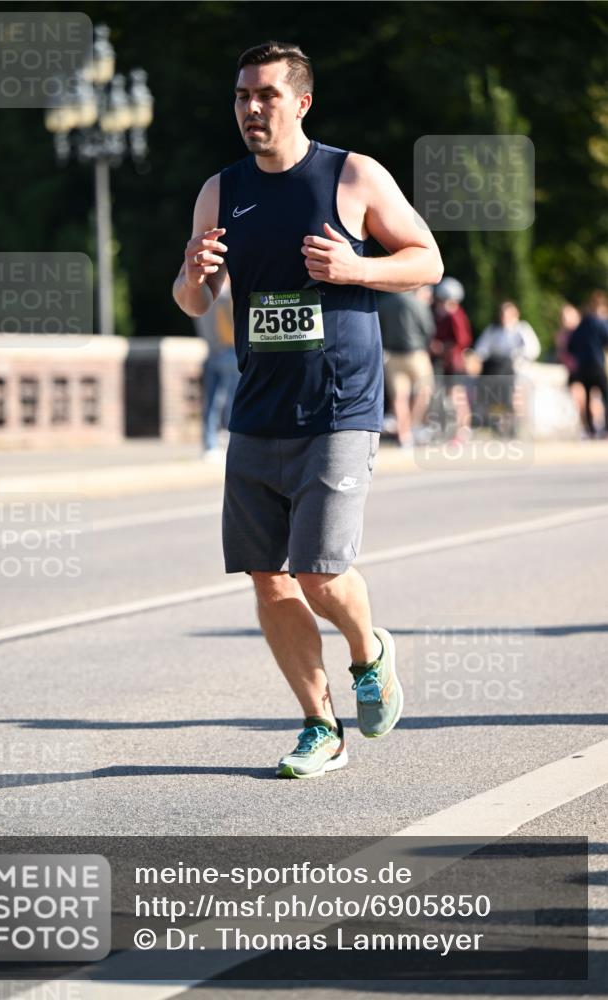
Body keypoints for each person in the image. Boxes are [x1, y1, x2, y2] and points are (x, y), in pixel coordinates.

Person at [172, 41, 443, 778]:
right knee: (267, 576)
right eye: (240, 96)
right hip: (257, 409)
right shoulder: (219, 191)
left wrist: (358, 267)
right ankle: (319, 726)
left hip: (339, 406)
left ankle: (369, 652)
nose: (250, 108)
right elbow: (193, 297)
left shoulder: (350, 174)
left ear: (300, 103)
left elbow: (426, 258)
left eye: (264, 95)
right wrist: (193, 278)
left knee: (320, 574)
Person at [472, 301, 541, 435]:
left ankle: (517, 427)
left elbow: (533, 349)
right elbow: (481, 349)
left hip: (517, 371)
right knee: (497, 398)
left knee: (515, 399)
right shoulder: (493, 330)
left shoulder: (522, 329)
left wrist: (516, 358)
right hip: (497, 372)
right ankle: (499, 425)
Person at [378, 286, 435, 447]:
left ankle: (404, 435)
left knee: (399, 397)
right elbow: (428, 329)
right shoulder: (416, 302)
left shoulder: (384, 302)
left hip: (392, 355)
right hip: (416, 353)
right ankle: (414, 425)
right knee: (424, 391)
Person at [193, 281, 239, 461]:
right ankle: (224, 437)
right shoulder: (224, 296)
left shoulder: (201, 295)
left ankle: (210, 442)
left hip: (213, 350)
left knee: (212, 400)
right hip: (227, 350)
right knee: (229, 398)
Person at [429, 277, 473, 443]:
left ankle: (463, 431)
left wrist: (443, 347)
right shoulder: (444, 314)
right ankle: (458, 430)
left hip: (455, 362)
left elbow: (462, 340)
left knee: (457, 397)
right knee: (452, 397)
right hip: (448, 362)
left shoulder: (455, 314)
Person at [567, 290, 608, 437]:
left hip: (582, 366)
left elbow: (570, 346)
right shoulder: (600, 322)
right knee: (605, 394)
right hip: (597, 363)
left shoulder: (580, 325)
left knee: (589, 396)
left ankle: (591, 429)